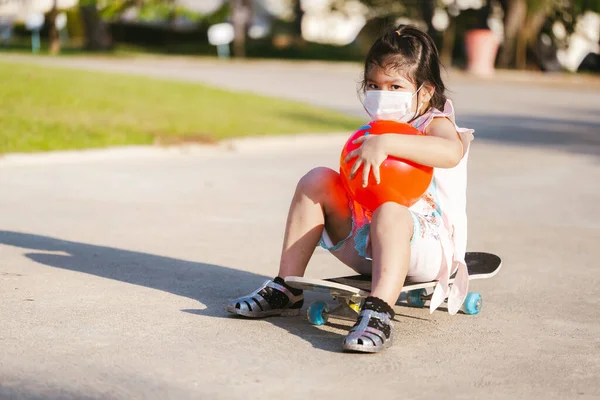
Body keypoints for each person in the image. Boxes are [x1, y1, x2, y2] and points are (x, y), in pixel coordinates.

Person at [227, 24, 474, 353]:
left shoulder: (433, 122)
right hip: (367, 243)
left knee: (390, 209)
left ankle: (379, 312)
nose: (382, 93)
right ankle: (287, 288)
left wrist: (387, 143)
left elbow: (452, 152)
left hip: (422, 251)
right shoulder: (374, 128)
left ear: (425, 92)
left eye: (395, 86)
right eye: (374, 85)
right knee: (316, 178)